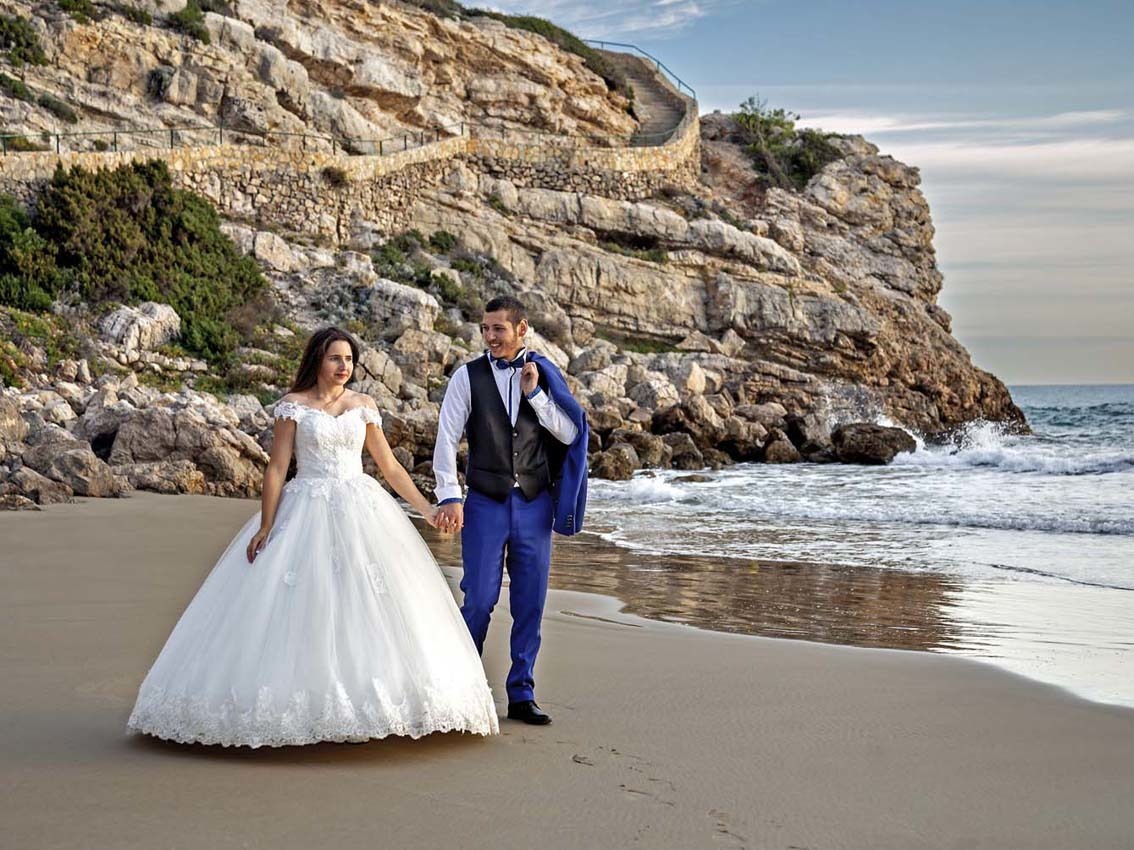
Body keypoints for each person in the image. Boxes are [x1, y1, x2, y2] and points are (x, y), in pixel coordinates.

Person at [127, 327, 499, 747]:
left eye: (349, 359)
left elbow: (391, 468)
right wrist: (266, 524)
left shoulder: (363, 406)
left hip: (361, 507)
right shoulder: (294, 406)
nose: (344, 366)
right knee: (303, 602)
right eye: (335, 358)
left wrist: (427, 509)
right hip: (305, 505)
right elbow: (277, 468)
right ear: (317, 360)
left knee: (371, 600)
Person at [433, 296, 589, 726]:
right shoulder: (466, 377)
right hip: (485, 502)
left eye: (498, 329)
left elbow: (570, 433)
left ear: (522, 329)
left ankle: (522, 693)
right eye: (485, 328)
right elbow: (446, 438)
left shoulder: (544, 374)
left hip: (534, 504)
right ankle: (461, 688)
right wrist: (449, 495)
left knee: (530, 602)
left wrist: (534, 394)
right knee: (479, 598)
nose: (489, 337)